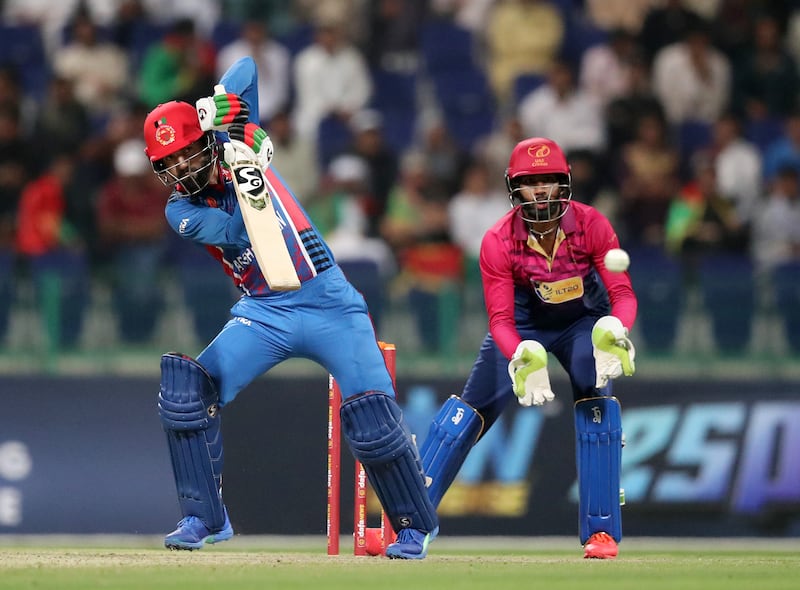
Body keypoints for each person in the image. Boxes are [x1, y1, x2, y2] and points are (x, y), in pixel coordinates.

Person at [143, 56, 438, 558]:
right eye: (167, 164)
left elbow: (247, 68)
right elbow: (243, 230)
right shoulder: (182, 211)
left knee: (371, 414)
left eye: (187, 155)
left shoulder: (234, 138)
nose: (179, 171)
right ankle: (203, 518)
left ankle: (412, 526)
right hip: (264, 312)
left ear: (206, 142)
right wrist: (250, 163)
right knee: (186, 391)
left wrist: (220, 110)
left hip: (330, 304)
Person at [415, 137, 638, 559]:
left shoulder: (592, 225)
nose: (541, 191)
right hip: (522, 328)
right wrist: (520, 352)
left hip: (582, 325)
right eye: (531, 182)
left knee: (596, 399)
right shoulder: (498, 239)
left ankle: (601, 533)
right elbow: (500, 320)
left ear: (564, 184)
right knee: (468, 412)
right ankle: (408, 523)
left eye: (550, 181)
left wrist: (616, 327)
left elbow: (623, 294)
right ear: (514, 187)